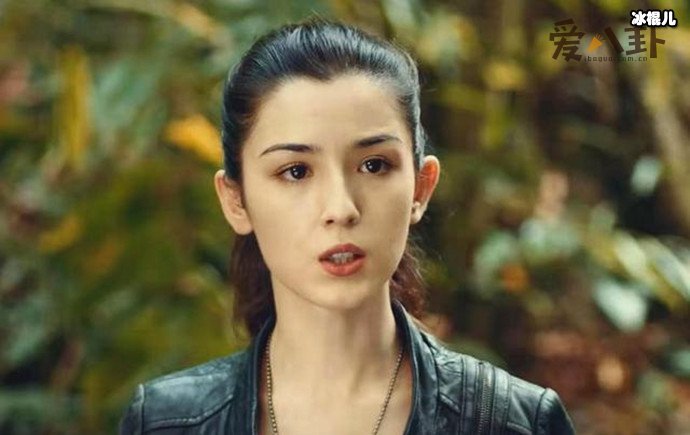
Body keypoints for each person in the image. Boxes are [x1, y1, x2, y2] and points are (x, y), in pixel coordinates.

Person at [119, 17, 576, 435]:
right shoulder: (165, 423)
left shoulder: (513, 422)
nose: (341, 208)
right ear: (236, 201)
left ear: (420, 187)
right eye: (296, 171)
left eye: (374, 165)